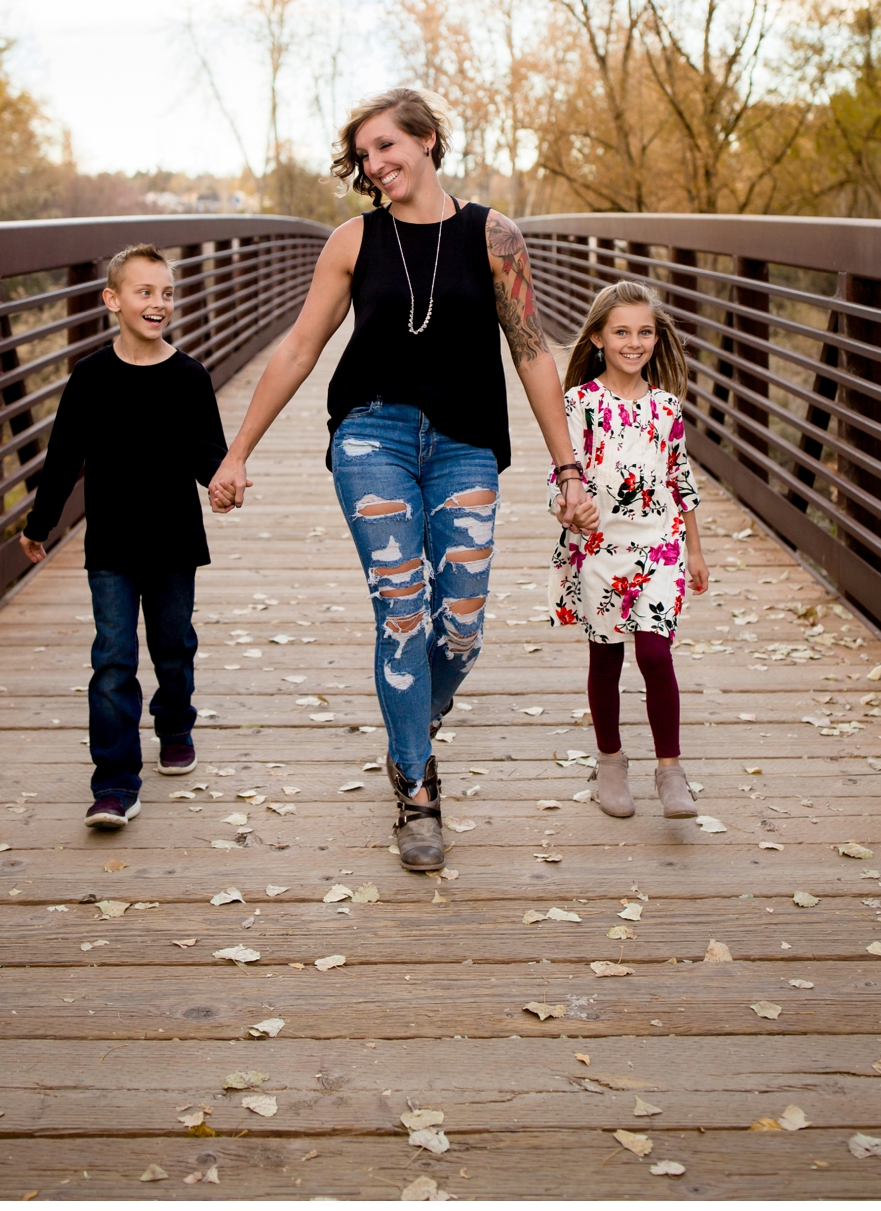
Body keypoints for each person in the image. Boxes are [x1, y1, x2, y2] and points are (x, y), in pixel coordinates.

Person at [206, 87, 596, 871]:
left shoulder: (496, 236)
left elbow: (531, 351)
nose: (376, 165)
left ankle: (413, 717)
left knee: (461, 623)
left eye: (387, 146)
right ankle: (416, 789)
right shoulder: (352, 241)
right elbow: (298, 348)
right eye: (364, 155)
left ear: (425, 139)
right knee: (401, 608)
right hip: (371, 435)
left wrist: (568, 465)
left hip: (465, 444)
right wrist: (237, 448)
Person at [20, 244, 227, 830]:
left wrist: (222, 481)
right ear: (113, 300)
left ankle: (175, 723)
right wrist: (40, 524)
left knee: (173, 645)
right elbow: (63, 459)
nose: (157, 303)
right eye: (144, 292)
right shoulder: (89, 378)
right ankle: (114, 783)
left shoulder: (189, 376)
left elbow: (206, 453)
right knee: (112, 658)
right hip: (110, 543)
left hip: (173, 540)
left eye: (166, 293)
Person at [548, 281, 710, 819]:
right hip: (599, 549)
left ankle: (670, 770)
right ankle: (611, 762)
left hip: (660, 545)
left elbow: (680, 478)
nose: (633, 342)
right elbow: (560, 478)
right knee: (607, 656)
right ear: (597, 337)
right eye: (621, 332)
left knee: (655, 653)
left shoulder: (667, 408)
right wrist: (572, 508)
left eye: (644, 332)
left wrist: (695, 549)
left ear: (657, 339)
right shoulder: (578, 405)